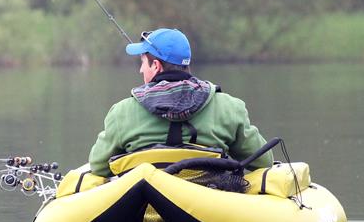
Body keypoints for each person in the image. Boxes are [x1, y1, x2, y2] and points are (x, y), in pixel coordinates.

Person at [88, 28, 273, 177]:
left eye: (143, 62)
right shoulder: (230, 107)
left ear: (156, 66)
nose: (140, 70)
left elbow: (98, 167)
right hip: (207, 213)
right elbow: (264, 162)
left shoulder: (121, 112)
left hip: (142, 214)